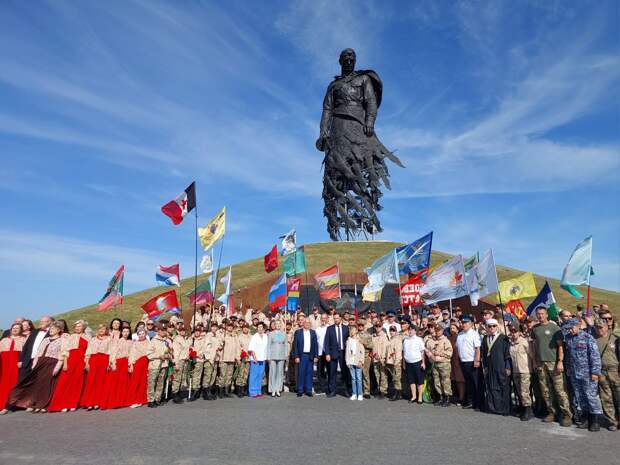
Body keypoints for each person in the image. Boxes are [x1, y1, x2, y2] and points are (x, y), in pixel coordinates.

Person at [6, 321, 64, 413]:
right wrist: (34, 364)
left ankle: (44, 405)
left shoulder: (62, 340)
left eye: (53, 329)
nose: (51, 330)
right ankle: (34, 403)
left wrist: (57, 367)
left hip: (52, 363)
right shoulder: (45, 340)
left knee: (47, 385)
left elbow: (62, 354)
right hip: (40, 362)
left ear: (59, 330)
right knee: (37, 384)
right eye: (51, 329)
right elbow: (38, 352)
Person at [531, 306, 572, 426]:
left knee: (560, 390)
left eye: (542, 314)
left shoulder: (555, 328)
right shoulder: (535, 329)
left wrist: (560, 361)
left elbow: (560, 346)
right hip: (540, 363)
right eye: (538, 314)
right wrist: (534, 361)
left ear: (547, 314)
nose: (540, 316)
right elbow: (534, 346)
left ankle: (566, 415)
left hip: (553, 363)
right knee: (546, 390)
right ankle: (551, 412)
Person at [563, 317, 603, 432]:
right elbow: (569, 356)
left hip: (588, 374)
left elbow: (595, 356)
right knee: (580, 397)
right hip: (575, 373)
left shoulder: (588, 338)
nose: (570, 330)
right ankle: (586, 418)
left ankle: (595, 420)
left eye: (571, 328)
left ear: (578, 326)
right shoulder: (569, 338)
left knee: (590, 397)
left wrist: (595, 372)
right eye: (568, 329)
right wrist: (569, 369)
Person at [48, 320, 90, 413]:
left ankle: (73, 403)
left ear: (83, 327)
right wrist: (65, 363)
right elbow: (65, 350)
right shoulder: (70, 337)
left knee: (77, 383)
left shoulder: (88, 338)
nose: (77, 328)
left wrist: (86, 362)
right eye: (76, 326)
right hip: (71, 360)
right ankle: (62, 403)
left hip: (81, 362)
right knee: (65, 382)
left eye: (79, 326)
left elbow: (89, 352)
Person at [480, 319, 512, 415]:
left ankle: (506, 409)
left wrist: (508, 367)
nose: (492, 328)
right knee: (492, 387)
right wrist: (485, 366)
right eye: (489, 326)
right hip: (490, 367)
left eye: (494, 326)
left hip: (501, 366)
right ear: (486, 327)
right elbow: (484, 353)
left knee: (504, 387)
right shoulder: (485, 338)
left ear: (497, 326)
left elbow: (507, 354)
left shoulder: (503, 338)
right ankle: (493, 407)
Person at [594, 318, 619, 431]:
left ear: (607, 327)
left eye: (601, 327)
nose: (599, 329)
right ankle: (612, 421)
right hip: (601, 371)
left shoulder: (615, 338)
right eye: (597, 327)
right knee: (606, 397)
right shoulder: (593, 340)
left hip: (615, 371)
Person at [80, 324, 111, 411]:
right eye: (100, 328)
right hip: (93, 360)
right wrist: (87, 362)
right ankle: (90, 402)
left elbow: (111, 351)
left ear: (106, 330)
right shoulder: (93, 339)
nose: (101, 330)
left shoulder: (109, 339)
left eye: (103, 329)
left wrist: (110, 363)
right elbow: (88, 351)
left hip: (104, 359)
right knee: (91, 381)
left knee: (101, 381)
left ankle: (98, 402)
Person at [508, 322, 534, 421]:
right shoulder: (510, 343)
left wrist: (534, 365)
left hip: (525, 370)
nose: (513, 333)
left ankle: (528, 410)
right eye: (512, 331)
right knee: (519, 391)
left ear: (519, 332)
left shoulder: (524, 342)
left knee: (524, 392)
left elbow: (531, 355)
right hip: (515, 370)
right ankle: (523, 407)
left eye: (515, 331)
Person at [456, 315, 482, 410]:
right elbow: (459, 348)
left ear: (471, 324)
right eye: (462, 323)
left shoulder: (474, 334)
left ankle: (479, 403)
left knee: (476, 383)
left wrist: (477, 360)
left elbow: (477, 348)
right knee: (469, 383)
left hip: (472, 361)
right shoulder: (460, 334)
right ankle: (471, 402)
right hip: (463, 361)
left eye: (466, 322)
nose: (464, 324)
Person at [425, 323, 453, 407]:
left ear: (442, 331)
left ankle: (447, 398)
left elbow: (450, 353)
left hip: (444, 363)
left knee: (445, 381)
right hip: (434, 363)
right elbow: (427, 350)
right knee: (436, 381)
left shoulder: (445, 340)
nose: (437, 332)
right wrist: (430, 355)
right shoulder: (430, 341)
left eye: (439, 330)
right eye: (436, 330)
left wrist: (440, 353)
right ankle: (440, 397)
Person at [0, 323, 26, 414]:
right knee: (3, 382)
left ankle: (11, 405)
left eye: (17, 328)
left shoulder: (24, 339)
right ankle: (1, 404)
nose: (15, 329)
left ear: (21, 330)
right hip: (4, 364)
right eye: (13, 328)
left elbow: (26, 353)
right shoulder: (4, 340)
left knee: (13, 382)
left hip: (15, 364)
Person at [18, 315, 52, 382]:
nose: (41, 323)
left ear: (49, 322)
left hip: (40, 361)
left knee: (36, 382)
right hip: (28, 360)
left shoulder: (52, 333)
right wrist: (21, 360)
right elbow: (26, 346)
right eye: (41, 321)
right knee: (22, 381)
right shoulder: (34, 331)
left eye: (43, 321)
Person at [323, 313, 350, 397]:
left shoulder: (346, 328)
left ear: (340, 319)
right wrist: (327, 354)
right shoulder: (329, 329)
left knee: (345, 372)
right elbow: (326, 342)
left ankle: (347, 390)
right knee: (332, 372)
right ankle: (332, 390)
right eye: (334, 318)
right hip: (333, 353)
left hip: (343, 352)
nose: (336, 320)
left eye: (337, 318)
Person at [146, 323, 172, 408]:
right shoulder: (153, 340)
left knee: (161, 382)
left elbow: (170, 352)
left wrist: (168, 355)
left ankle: (157, 399)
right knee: (152, 382)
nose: (163, 332)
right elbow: (149, 353)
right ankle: (151, 400)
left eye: (164, 330)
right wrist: (159, 356)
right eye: (161, 330)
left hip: (164, 365)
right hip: (155, 365)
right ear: (158, 331)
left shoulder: (166, 341)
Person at [292, 319, 319, 397]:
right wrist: (296, 356)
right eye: (306, 323)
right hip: (302, 356)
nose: (307, 324)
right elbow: (295, 345)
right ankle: (300, 390)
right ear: (303, 324)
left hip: (310, 355)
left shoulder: (313, 333)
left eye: (309, 323)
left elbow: (315, 345)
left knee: (309, 373)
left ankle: (309, 390)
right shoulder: (298, 332)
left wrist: (316, 356)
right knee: (301, 373)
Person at [127, 328, 149, 408]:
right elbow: (132, 354)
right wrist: (131, 364)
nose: (141, 335)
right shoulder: (135, 343)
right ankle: (134, 399)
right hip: (137, 363)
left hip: (146, 363)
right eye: (139, 334)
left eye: (143, 333)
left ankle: (141, 400)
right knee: (135, 381)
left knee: (144, 382)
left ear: (145, 334)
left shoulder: (149, 343)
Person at [403, 325, 425, 404]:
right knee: (411, 380)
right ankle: (414, 396)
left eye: (412, 330)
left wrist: (423, 362)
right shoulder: (405, 340)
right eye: (409, 329)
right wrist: (404, 363)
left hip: (417, 362)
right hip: (408, 362)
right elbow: (404, 353)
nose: (410, 331)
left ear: (415, 331)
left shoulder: (419, 340)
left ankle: (419, 397)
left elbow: (422, 352)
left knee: (419, 380)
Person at [217, 323, 240, 398]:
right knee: (223, 375)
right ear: (226, 327)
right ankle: (221, 391)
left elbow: (237, 347)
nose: (230, 328)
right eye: (229, 326)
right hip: (224, 358)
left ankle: (227, 391)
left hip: (232, 358)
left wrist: (237, 357)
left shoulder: (234, 336)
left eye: (231, 327)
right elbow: (219, 347)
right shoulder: (223, 335)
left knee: (229, 375)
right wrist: (222, 342)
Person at [266, 320, 288, 397]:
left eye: (279, 324)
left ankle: (278, 389)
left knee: (280, 373)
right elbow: (268, 345)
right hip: (272, 355)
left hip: (281, 356)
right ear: (274, 325)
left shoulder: (284, 334)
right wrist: (268, 356)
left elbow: (285, 345)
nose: (278, 325)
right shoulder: (271, 334)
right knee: (273, 372)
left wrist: (286, 355)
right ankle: (272, 389)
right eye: (276, 324)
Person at [171, 325, 191, 404]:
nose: (183, 331)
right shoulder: (177, 339)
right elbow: (176, 352)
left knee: (182, 377)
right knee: (177, 378)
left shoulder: (185, 339)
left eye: (184, 330)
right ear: (178, 331)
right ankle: (175, 394)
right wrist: (176, 363)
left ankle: (179, 392)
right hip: (179, 360)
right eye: (181, 330)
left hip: (185, 360)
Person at [248, 322, 268, 398]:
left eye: (261, 327)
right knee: (254, 375)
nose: (260, 328)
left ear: (263, 328)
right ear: (257, 328)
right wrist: (254, 357)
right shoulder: (254, 336)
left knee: (260, 375)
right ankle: (252, 392)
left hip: (263, 358)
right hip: (255, 359)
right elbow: (251, 348)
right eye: (259, 327)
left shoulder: (266, 336)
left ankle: (258, 391)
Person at [345, 325, 365, 401]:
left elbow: (362, 351)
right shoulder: (348, 340)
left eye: (353, 330)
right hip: (351, 361)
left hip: (358, 361)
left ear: (356, 331)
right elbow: (347, 352)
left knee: (359, 378)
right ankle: (354, 394)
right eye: (351, 330)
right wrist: (347, 361)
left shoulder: (359, 340)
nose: (352, 331)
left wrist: (361, 361)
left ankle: (360, 394)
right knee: (353, 379)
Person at [386, 325, 403, 401]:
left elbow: (398, 352)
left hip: (396, 362)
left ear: (396, 332)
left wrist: (396, 362)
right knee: (394, 378)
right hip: (390, 362)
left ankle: (398, 394)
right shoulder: (390, 339)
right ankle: (396, 392)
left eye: (393, 330)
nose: (392, 332)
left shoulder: (397, 340)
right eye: (391, 330)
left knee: (397, 378)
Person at [234, 323, 252, 397]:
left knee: (245, 374)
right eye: (244, 327)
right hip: (242, 357)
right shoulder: (240, 337)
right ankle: (239, 390)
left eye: (246, 327)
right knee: (240, 373)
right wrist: (238, 357)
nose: (245, 329)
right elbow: (238, 347)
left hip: (249, 358)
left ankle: (243, 388)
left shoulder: (251, 336)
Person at [315, 314, 329, 394]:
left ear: (327, 319)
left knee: (329, 371)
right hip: (319, 353)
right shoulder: (317, 329)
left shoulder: (330, 328)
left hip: (327, 353)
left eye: (325, 318)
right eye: (322, 318)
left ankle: (329, 387)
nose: (323, 320)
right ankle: (321, 387)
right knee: (320, 371)